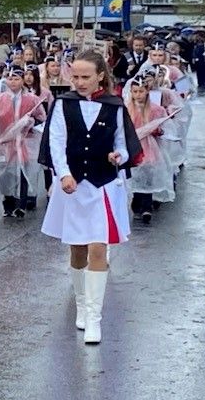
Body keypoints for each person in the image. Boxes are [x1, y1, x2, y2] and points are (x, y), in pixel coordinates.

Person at [39, 49, 141, 345]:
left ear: (100, 76)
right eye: (76, 77)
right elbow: (56, 143)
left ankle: (94, 318)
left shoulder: (114, 105)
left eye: (86, 77)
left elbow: (124, 145)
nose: (80, 82)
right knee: (78, 249)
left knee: (99, 247)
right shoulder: (63, 104)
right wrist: (64, 174)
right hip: (73, 184)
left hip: (103, 185)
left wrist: (117, 155)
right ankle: (81, 305)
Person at [0, 67, 47, 218]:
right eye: (10, 79)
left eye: (17, 79)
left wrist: (30, 123)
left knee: (23, 172)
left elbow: (42, 118)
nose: (13, 82)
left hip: (25, 143)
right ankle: (8, 203)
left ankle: (21, 204)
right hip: (5, 143)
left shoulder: (32, 99)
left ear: (22, 82)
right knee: (6, 175)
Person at [123, 75, 174, 223]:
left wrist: (157, 130)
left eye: (141, 91)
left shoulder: (155, 109)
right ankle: (137, 202)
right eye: (135, 91)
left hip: (149, 146)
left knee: (148, 175)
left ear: (147, 91)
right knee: (136, 175)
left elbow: (164, 128)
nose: (138, 95)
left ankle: (147, 206)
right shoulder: (126, 109)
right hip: (134, 146)